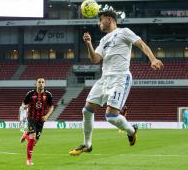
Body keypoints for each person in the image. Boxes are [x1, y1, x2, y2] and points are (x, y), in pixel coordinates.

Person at [69, 10, 163, 156]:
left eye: (100, 20)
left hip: (120, 77)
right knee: (86, 110)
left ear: (109, 19)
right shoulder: (103, 40)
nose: (98, 23)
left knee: (111, 117)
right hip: (105, 78)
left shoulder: (124, 32)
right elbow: (95, 59)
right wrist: (88, 44)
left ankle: (131, 131)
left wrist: (153, 59)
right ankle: (87, 145)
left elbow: (141, 44)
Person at [20, 78, 54, 166]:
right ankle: (29, 160)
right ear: (36, 84)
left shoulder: (48, 95)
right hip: (31, 118)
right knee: (33, 136)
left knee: (34, 141)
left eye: (43, 82)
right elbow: (23, 103)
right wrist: (24, 106)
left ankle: (25, 135)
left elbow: (51, 107)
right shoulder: (30, 94)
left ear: (45, 84)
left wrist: (47, 116)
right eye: (39, 82)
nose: (41, 84)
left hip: (41, 120)